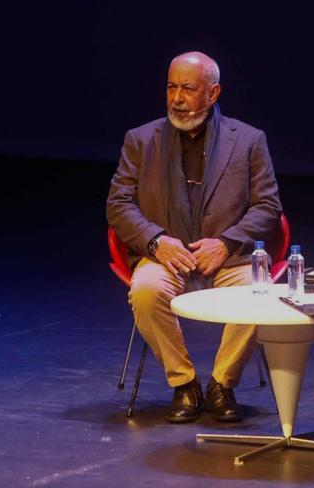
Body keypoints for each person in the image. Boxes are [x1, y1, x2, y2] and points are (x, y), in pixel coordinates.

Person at [106, 51, 282, 424]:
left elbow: (268, 206)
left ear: (213, 92)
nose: (177, 98)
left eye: (188, 88)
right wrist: (156, 242)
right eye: (171, 87)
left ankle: (222, 383)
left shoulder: (249, 140)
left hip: (227, 259)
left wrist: (228, 242)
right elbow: (118, 205)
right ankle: (184, 382)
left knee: (259, 290)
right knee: (145, 291)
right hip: (164, 257)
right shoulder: (140, 140)